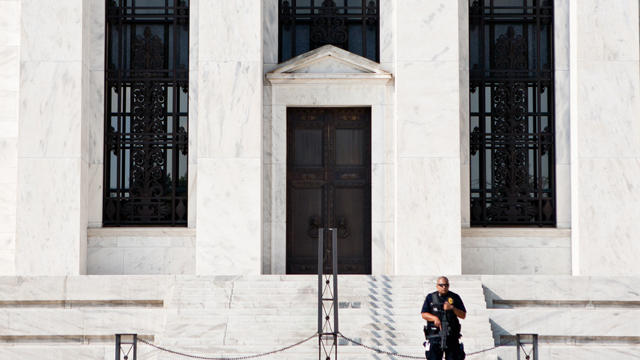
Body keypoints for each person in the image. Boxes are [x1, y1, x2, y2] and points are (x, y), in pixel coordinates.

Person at [421, 276, 466, 360]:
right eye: (441, 285)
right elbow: (424, 314)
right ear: (437, 286)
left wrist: (452, 308)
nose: (444, 287)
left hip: (451, 336)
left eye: (446, 285)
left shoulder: (455, 297)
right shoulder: (430, 297)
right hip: (435, 336)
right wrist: (434, 318)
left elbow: (463, 315)